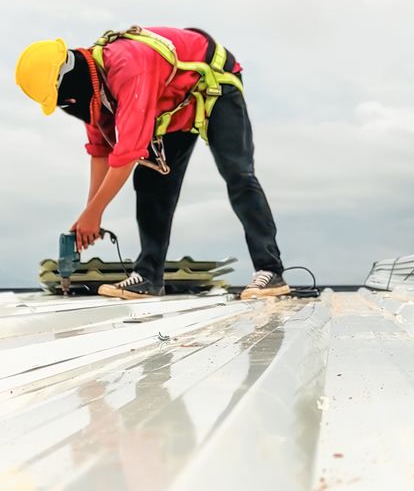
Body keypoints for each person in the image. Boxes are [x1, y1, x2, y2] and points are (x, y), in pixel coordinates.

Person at [15, 25, 289, 301]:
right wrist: (90, 213)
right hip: (174, 105)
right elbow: (100, 152)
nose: (68, 105)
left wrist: (94, 213)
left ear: (68, 79)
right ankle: (148, 277)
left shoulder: (128, 66)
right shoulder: (96, 95)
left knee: (238, 173)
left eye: (63, 98)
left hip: (213, 84)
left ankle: (270, 271)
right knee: (150, 182)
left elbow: (129, 152)